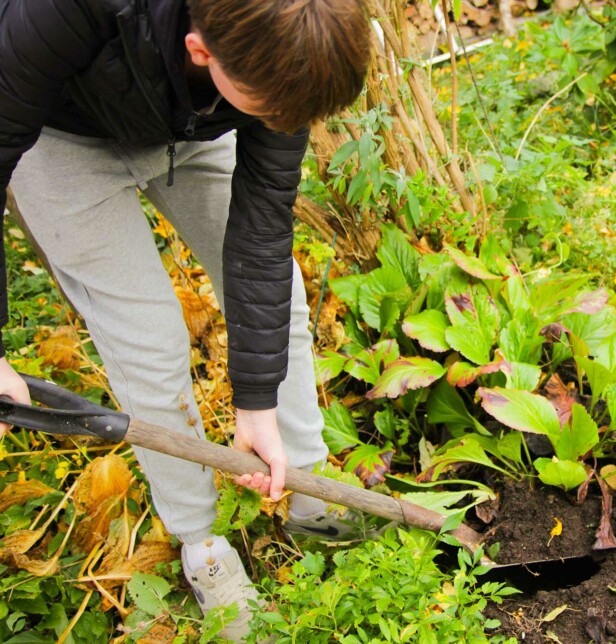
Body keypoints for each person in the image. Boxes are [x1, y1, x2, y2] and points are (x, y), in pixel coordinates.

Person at [0, 0, 371, 639]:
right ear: (201, 49)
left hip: (192, 121)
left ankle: (309, 482)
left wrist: (256, 405)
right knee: (147, 337)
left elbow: (258, 233)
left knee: (275, 287)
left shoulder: (280, 41)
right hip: (53, 135)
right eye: (272, 110)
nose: (286, 126)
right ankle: (203, 546)